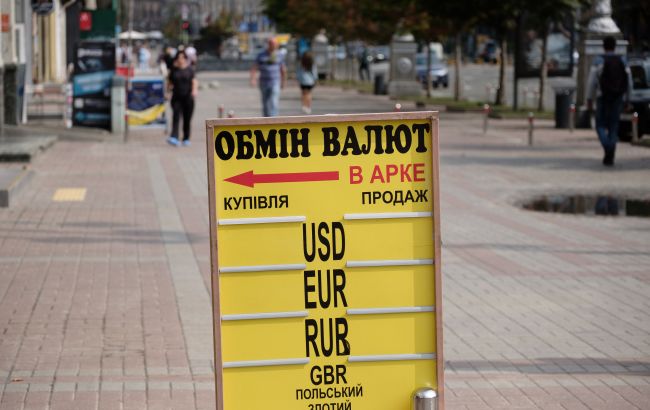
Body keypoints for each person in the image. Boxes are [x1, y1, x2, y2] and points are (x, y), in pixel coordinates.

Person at [587, 36, 633, 166]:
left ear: (603, 46)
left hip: (602, 96)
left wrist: (589, 98)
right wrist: (628, 99)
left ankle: (608, 147)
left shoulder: (599, 60)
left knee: (600, 125)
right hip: (618, 96)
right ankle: (611, 149)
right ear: (615, 46)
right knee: (614, 125)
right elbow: (629, 82)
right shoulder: (622, 60)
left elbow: (591, 81)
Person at [166, 51, 198, 147]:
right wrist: (168, 93)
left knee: (187, 118)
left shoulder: (190, 70)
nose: (180, 59)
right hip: (176, 97)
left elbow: (194, 81)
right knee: (176, 117)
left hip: (188, 97)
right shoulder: (173, 70)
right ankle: (174, 137)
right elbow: (169, 83)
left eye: (182, 57)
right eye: (179, 58)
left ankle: (186, 138)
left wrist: (194, 91)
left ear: (185, 59)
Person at [250, 38, 286, 117]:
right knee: (265, 103)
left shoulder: (280, 55)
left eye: (274, 44)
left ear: (277, 45)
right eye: (271, 44)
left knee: (274, 102)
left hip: (275, 82)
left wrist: (283, 82)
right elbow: (254, 67)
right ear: (268, 44)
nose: (273, 45)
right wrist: (253, 79)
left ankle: (274, 120)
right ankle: (266, 119)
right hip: (264, 82)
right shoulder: (261, 55)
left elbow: (283, 69)